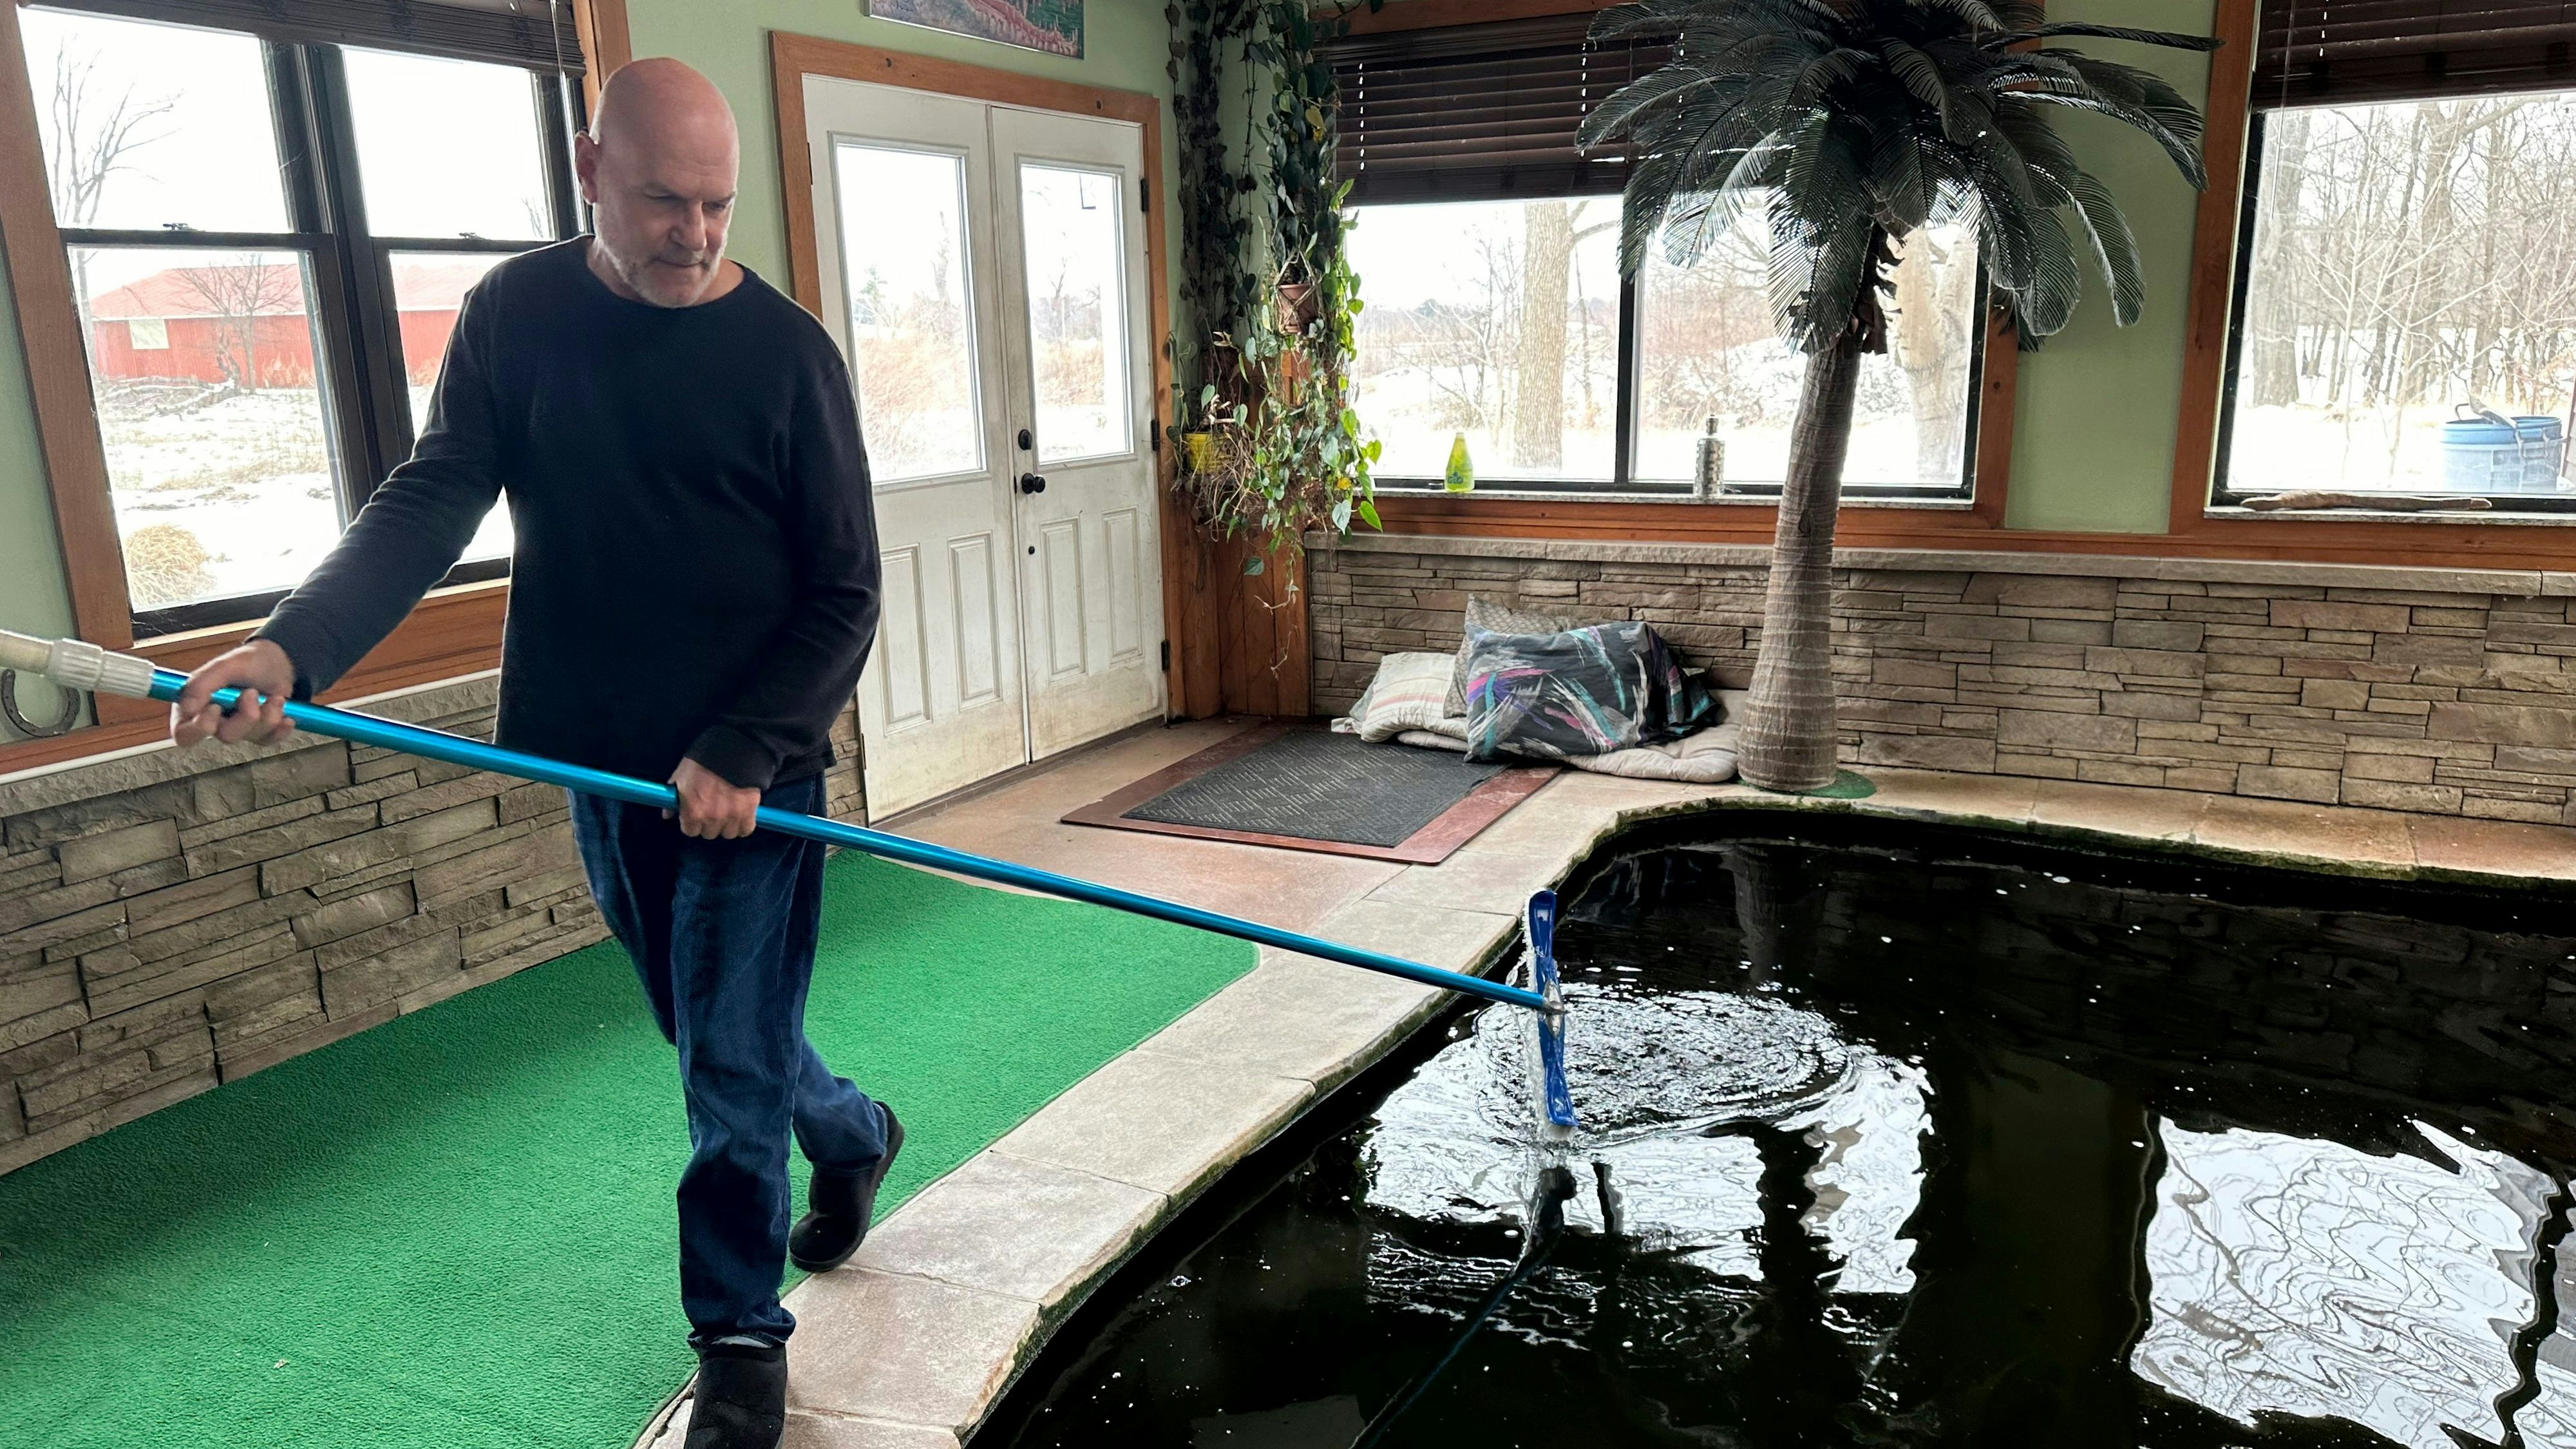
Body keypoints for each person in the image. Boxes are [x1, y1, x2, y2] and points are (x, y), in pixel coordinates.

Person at [167, 57, 895, 1449]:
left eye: (718, 205)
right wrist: (290, 648)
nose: (694, 234)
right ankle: (852, 1130)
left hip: (754, 776)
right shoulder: (513, 316)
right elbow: (430, 497)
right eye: (665, 202)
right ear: (588, 170)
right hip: (601, 762)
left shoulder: (788, 354)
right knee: (703, 1031)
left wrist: (746, 750)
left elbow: (844, 589)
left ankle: (739, 1338)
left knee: (724, 1065)